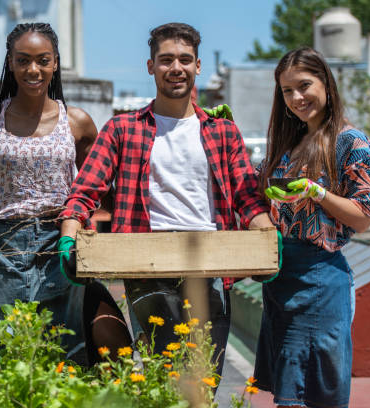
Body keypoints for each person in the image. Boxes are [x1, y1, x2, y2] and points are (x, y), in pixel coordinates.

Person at [58, 22, 275, 376]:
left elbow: (247, 197)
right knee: (165, 376)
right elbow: (86, 191)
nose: (176, 68)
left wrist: (268, 242)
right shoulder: (123, 129)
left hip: (211, 263)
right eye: (166, 59)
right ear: (151, 67)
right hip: (147, 265)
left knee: (205, 381)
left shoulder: (222, 132)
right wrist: (69, 236)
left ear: (198, 66)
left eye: (185, 59)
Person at [0, 23, 132, 365]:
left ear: (55, 63)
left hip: (60, 244)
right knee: (0, 350)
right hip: (1, 248)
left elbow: (100, 188)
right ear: (10, 63)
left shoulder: (77, 122)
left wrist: (128, 233)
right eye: (23, 60)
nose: (33, 70)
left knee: (63, 347)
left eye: (42, 60)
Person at [254, 47, 370, 408]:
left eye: (304, 85)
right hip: (280, 280)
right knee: (292, 392)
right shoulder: (287, 143)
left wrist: (318, 192)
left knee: (303, 397)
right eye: (287, 91)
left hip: (319, 280)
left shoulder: (350, 141)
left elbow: (365, 217)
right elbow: (252, 189)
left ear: (326, 82)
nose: (296, 98)